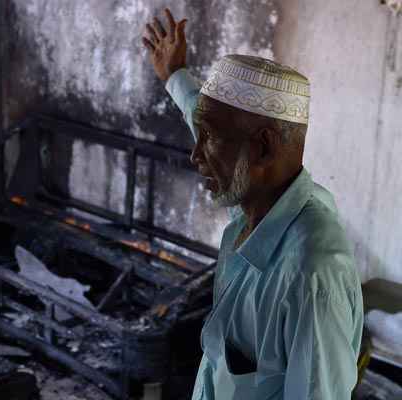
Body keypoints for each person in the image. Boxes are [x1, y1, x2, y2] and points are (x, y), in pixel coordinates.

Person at [142, 8, 364, 400]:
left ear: (262, 147)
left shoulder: (310, 276)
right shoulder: (257, 203)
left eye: (208, 138)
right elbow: (207, 122)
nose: (196, 156)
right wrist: (175, 75)